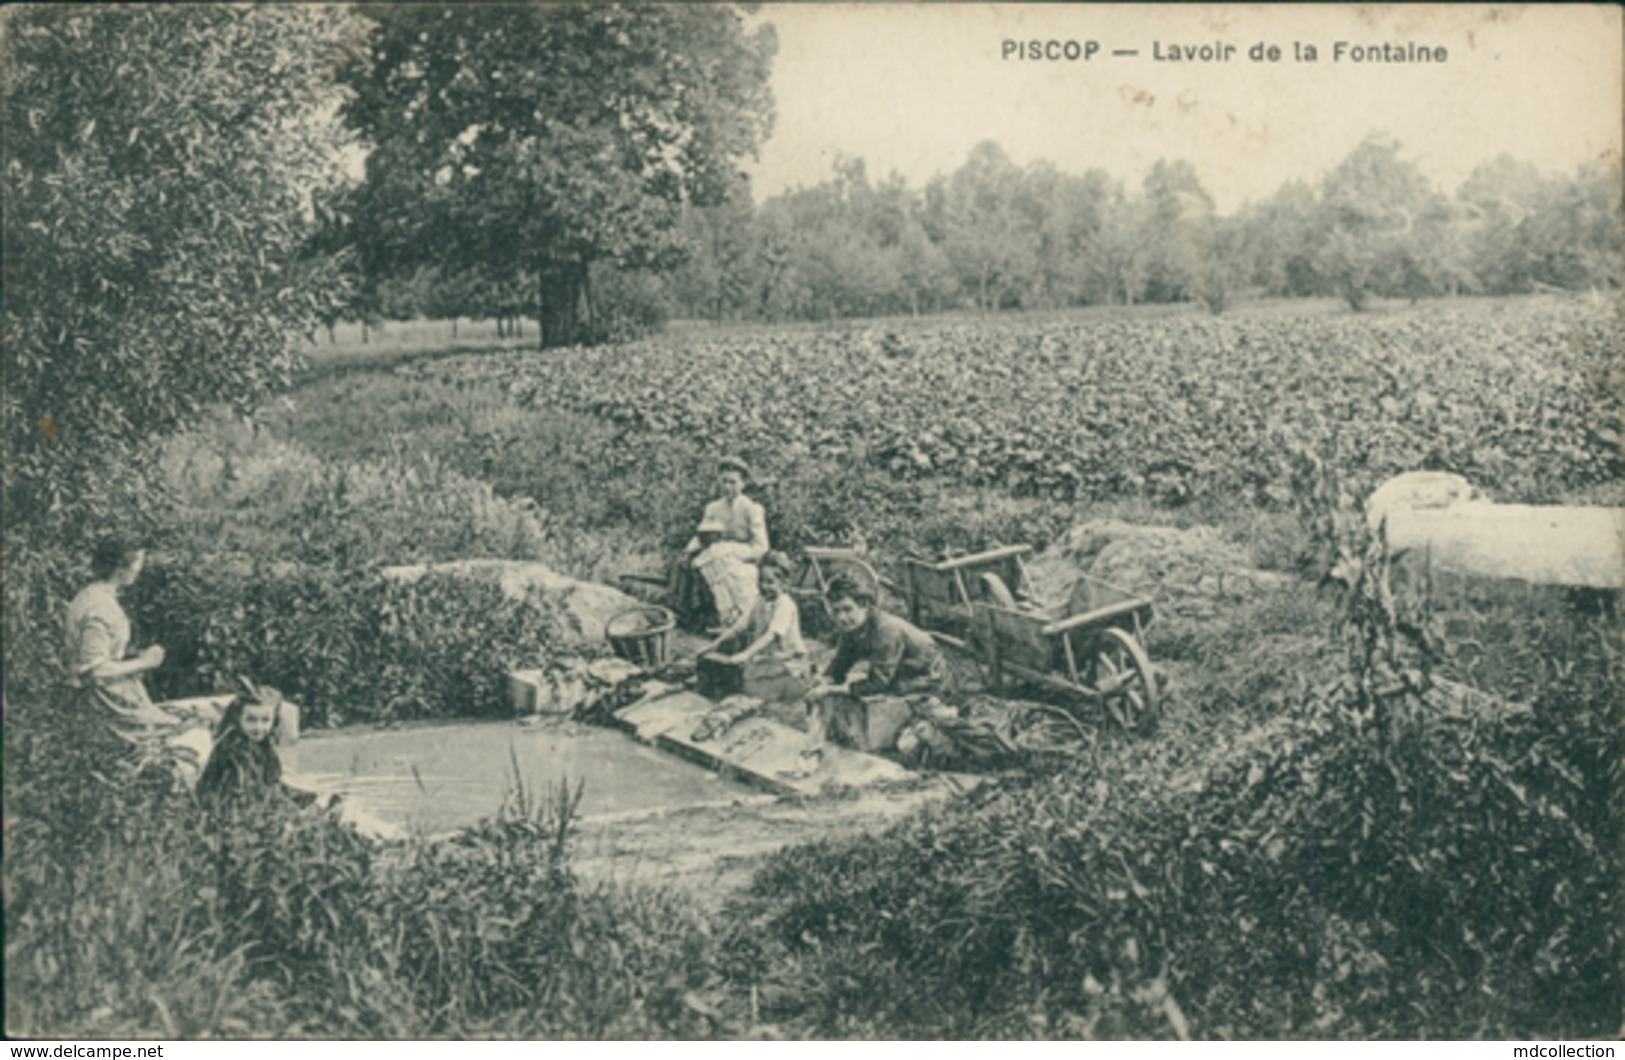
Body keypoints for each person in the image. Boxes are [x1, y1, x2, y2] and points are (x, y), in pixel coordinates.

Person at [63, 536, 215, 782]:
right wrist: (145, 663)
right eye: (137, 563)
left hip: (116, 694)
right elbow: (94, 670)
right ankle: (180, 787)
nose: (139, 569)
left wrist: (134, 658)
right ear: (121, 568)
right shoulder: (99, 608)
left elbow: (100, 655)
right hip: (107, 702)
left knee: (189, 718)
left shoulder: (91, 596)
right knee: (196, 728)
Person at [802, 572, 952, 759]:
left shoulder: (885, 630)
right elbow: (840, 662)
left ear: (864, 604)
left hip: (927, 677)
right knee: (849, 689)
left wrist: (832, 689)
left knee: (875, 693)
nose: (841, 617)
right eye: (835, 611)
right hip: (899, 670)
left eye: (847, 609)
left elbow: (879, 683)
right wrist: (824, 679)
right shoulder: (853, 627)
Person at [671, 457, 769, 628]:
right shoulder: (713, 508)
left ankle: (739, 619)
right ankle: (697, 616)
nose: (727, 487)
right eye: (724, 482)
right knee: (695, 562)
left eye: (733, 482)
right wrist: (688, 551)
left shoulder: (752, 508)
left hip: (743, 559)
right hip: (714, 556)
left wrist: (731, 550)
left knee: (723, 562)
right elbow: (701, 535)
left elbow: (761, 546)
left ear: (743, 483)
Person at [699, 551, 808, 675]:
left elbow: (771, 635)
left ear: (784, 583)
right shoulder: (760, 601)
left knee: (745, 679)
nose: (763, 586)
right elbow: (739, 627)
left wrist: (746, 654)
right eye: (760, 581)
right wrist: (715, 644)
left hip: (789, 660)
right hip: (768, 657)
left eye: (770, 582)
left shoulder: (785, 604)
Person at [196, 681, 289, 808]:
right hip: (231, 800)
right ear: (237, 718)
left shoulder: (263, 743)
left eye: (265, 720)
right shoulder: (233, 747)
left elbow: (271, 777)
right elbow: (231, 787)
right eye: (251, 720)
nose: (258, 727)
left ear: (274, 720)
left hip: (256, 794)